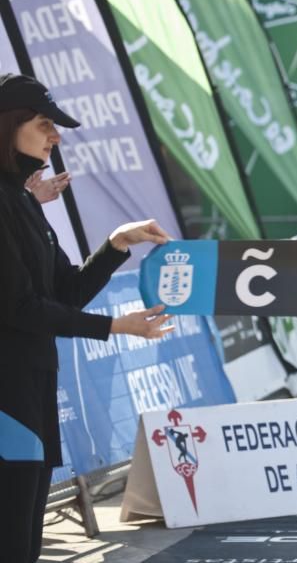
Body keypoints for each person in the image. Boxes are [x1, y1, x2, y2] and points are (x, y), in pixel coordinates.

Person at [0, 73, 174, 563]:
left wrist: (118, 243)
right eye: (44, 124)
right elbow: (18, 307)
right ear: (8, 126)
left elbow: (66, 292)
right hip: (7, 391)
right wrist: (117, 327)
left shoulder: (22, 200)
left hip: (32, 384)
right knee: (12, 530)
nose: (55, 136)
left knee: (24, 530)